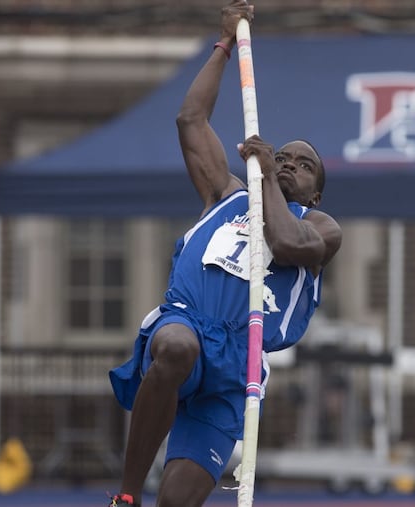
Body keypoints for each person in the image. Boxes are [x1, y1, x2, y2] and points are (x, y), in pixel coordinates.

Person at [107, 1, 342, 506]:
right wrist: (224, 44)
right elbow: (190, 118)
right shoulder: (226, 195)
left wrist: (268, 178)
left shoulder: (320, 227)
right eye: (281, 157)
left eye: (301, 166)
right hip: (189, 321)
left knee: (177, 501)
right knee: (175, 349)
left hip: (237, 362)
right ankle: (125, 497)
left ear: (316, 192)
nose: (287, 165)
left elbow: (283, 244)